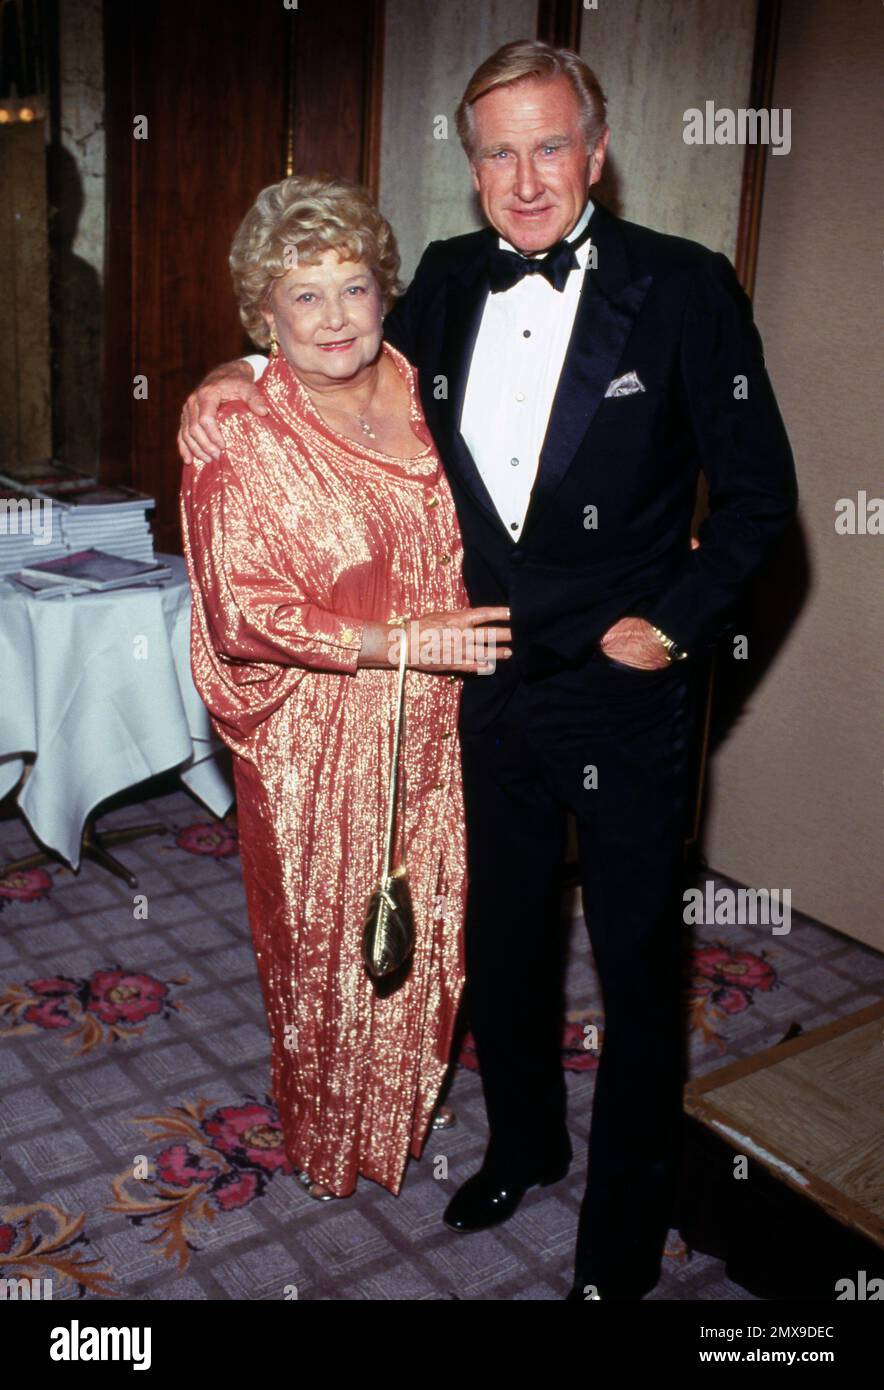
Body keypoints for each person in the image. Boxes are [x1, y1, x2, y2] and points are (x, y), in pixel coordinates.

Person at [178, 42, 798, 1298]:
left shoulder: (683, 288)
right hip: (482, 682)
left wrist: (671, 627)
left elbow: (757, 503)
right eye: (496, 152)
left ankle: (619, 1237)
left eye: (549, 144)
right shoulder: (445, 285)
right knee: (502, 941)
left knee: (635, 967)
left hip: (623, 692)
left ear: (596, 148)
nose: (524, 178)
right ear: (469, 170)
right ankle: (522, 1141)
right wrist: (232, 383)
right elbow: (328, 366)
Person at [178, 173, 511, 1202]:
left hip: (445, 715)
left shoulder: (425, 379)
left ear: (386, 293)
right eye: (303, 295)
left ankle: (400, 1094)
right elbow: (245, 614)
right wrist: (405, 641)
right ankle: (333, 1126)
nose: (334, 318)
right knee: (329, 936)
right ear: (261, 314)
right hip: (319, 726)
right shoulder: (239, 428)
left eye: (353, 288)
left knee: (433, 915)